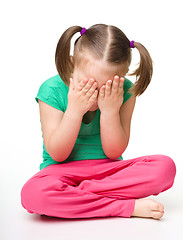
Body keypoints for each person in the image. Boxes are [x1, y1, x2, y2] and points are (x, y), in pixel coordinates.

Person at [21, 24, 176, 220]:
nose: (96, 96)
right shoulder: (51, 90)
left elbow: (114, 152)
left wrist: (110, 112)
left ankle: (75, 195)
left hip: (108, 173)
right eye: (89, 84)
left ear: (121, 78)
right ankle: (122, 206)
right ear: (71, 65)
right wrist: (74, 111)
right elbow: (58, 154)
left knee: (164, 167)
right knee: (34, 194)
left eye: (107, 88)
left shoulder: (125, 93)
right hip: (60, 172)